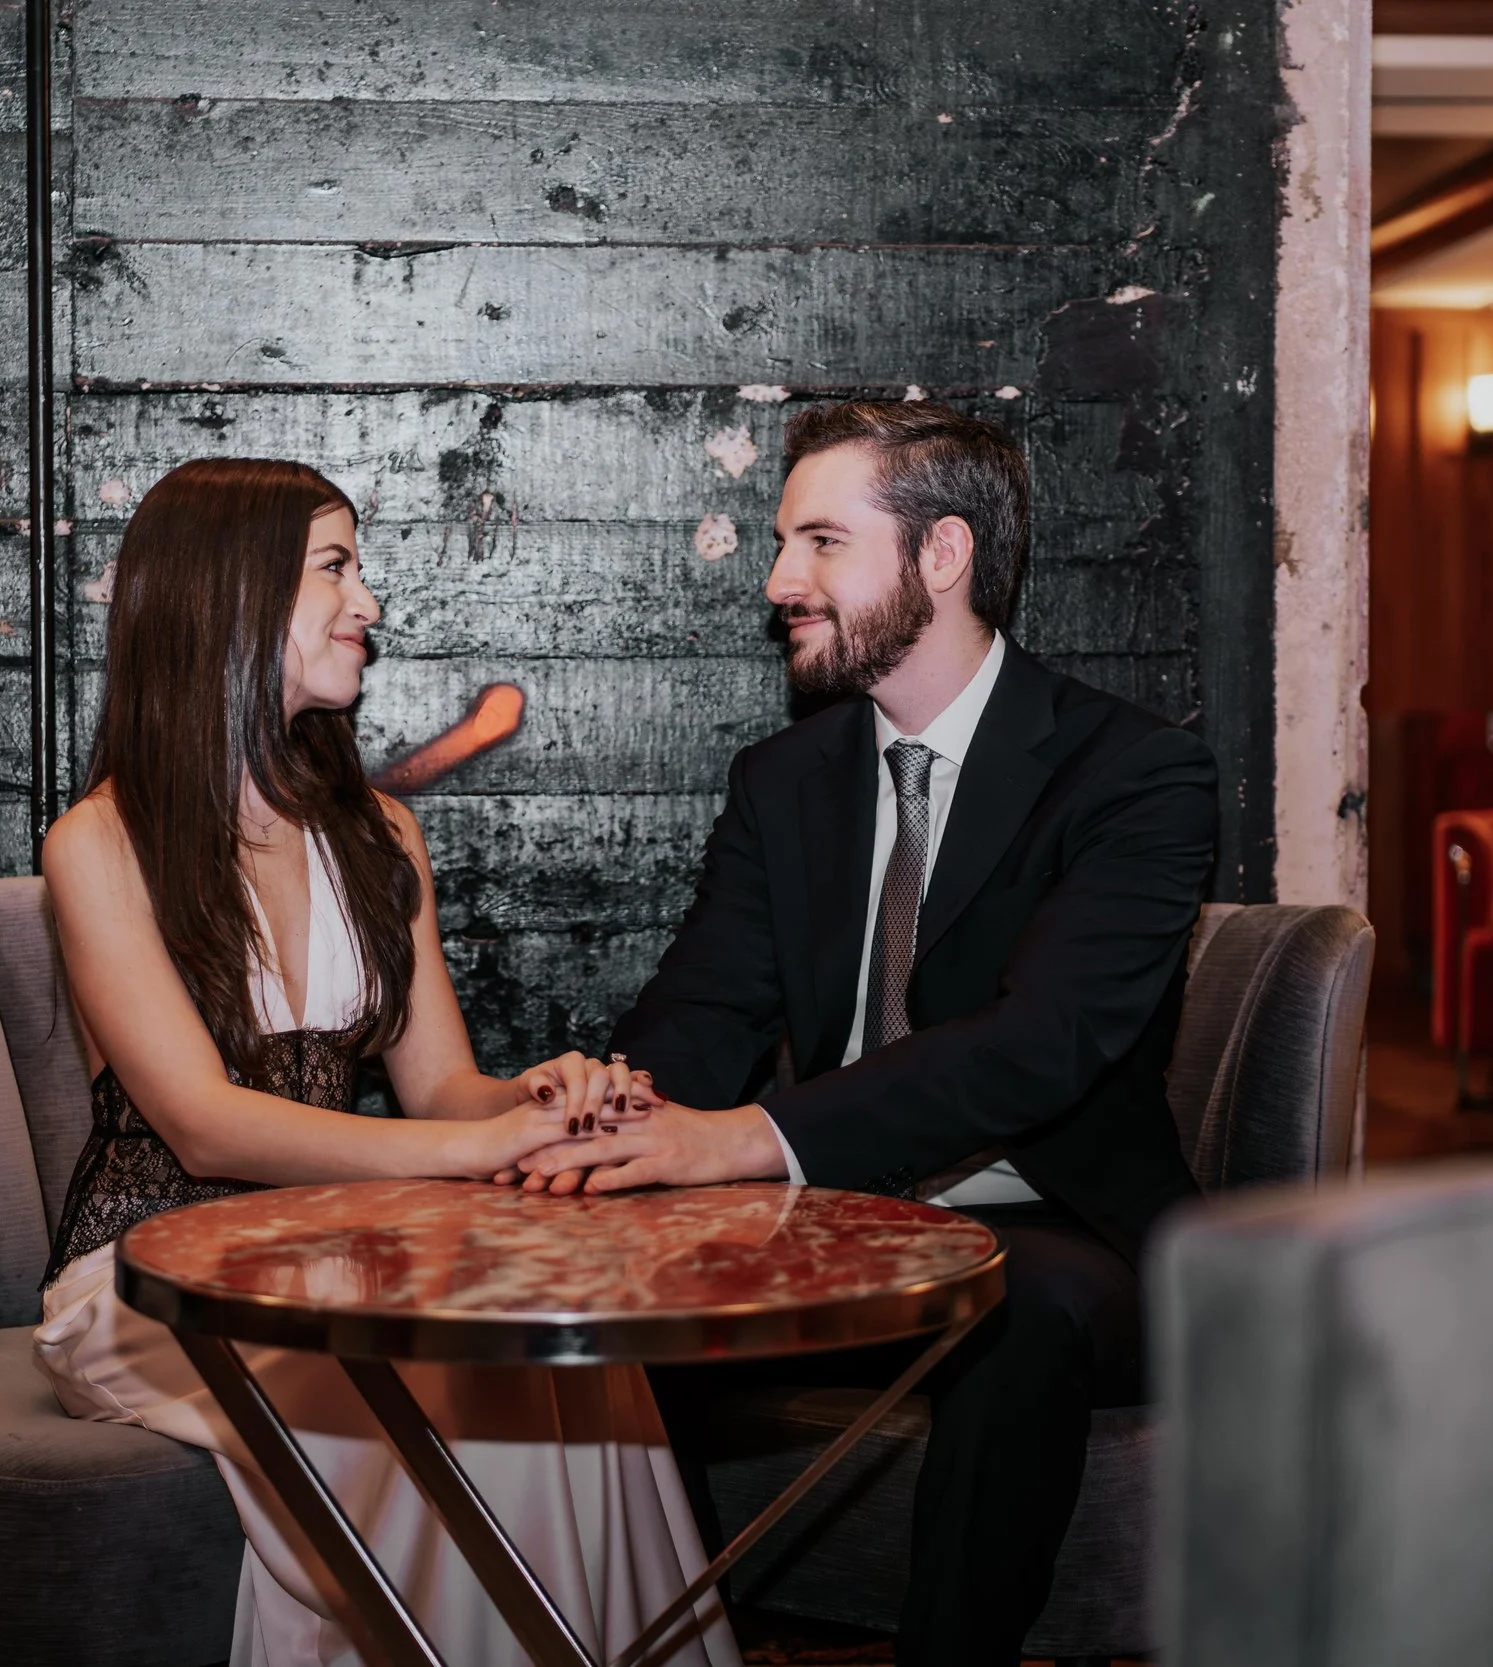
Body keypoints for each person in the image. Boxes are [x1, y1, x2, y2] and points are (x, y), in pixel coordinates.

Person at [516, 401, 1219, 1663]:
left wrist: (744, 1139)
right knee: (596, 1276)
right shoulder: (783, 779)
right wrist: (618, 1100)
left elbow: (1038, 1043)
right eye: (786, 541)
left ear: (940, 555)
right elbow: (708, 1006)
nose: (781, 580)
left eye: (822, 541)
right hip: (821, 1209)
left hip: (1054, 1222)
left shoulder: (1130, 771)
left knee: (1014, 1316)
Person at [34, 457, 738, 1667]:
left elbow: (442, 1088)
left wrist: (543, 1096)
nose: (371, 599)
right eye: (336, 566)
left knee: (574, 1366)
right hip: (154, 1273)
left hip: (342, 1257)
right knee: (426, 1395)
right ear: (230, 594)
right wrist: (479, 1145)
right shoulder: (98, 842)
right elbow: (204, 1124)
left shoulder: (378, 830)